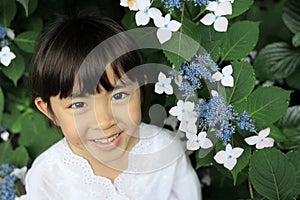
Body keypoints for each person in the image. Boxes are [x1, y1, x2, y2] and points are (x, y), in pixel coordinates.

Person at [18, 14, 201, 200]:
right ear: (49, 111)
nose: (104, 121)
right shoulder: (46, 177)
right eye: (78, 104)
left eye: (119, 95)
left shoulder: (165, 151)